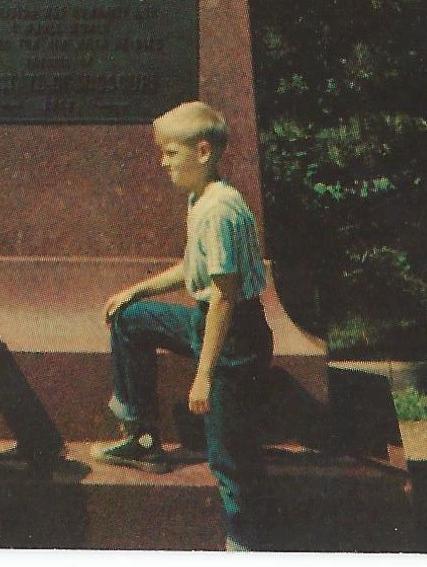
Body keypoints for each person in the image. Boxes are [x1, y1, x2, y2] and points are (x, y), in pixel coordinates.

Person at [93, 100, 272, 551]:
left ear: (203, 151)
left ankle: (244, 543)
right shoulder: (203, 197)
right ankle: (140, 436)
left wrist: (204, 376)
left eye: (171, 153)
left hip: (233, 340)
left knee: (228, 458)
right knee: (130, 321)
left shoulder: (218, 212)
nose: (163, 162)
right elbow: (193, 268)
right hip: (206, 322)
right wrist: (137, 291)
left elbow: (226, 298)